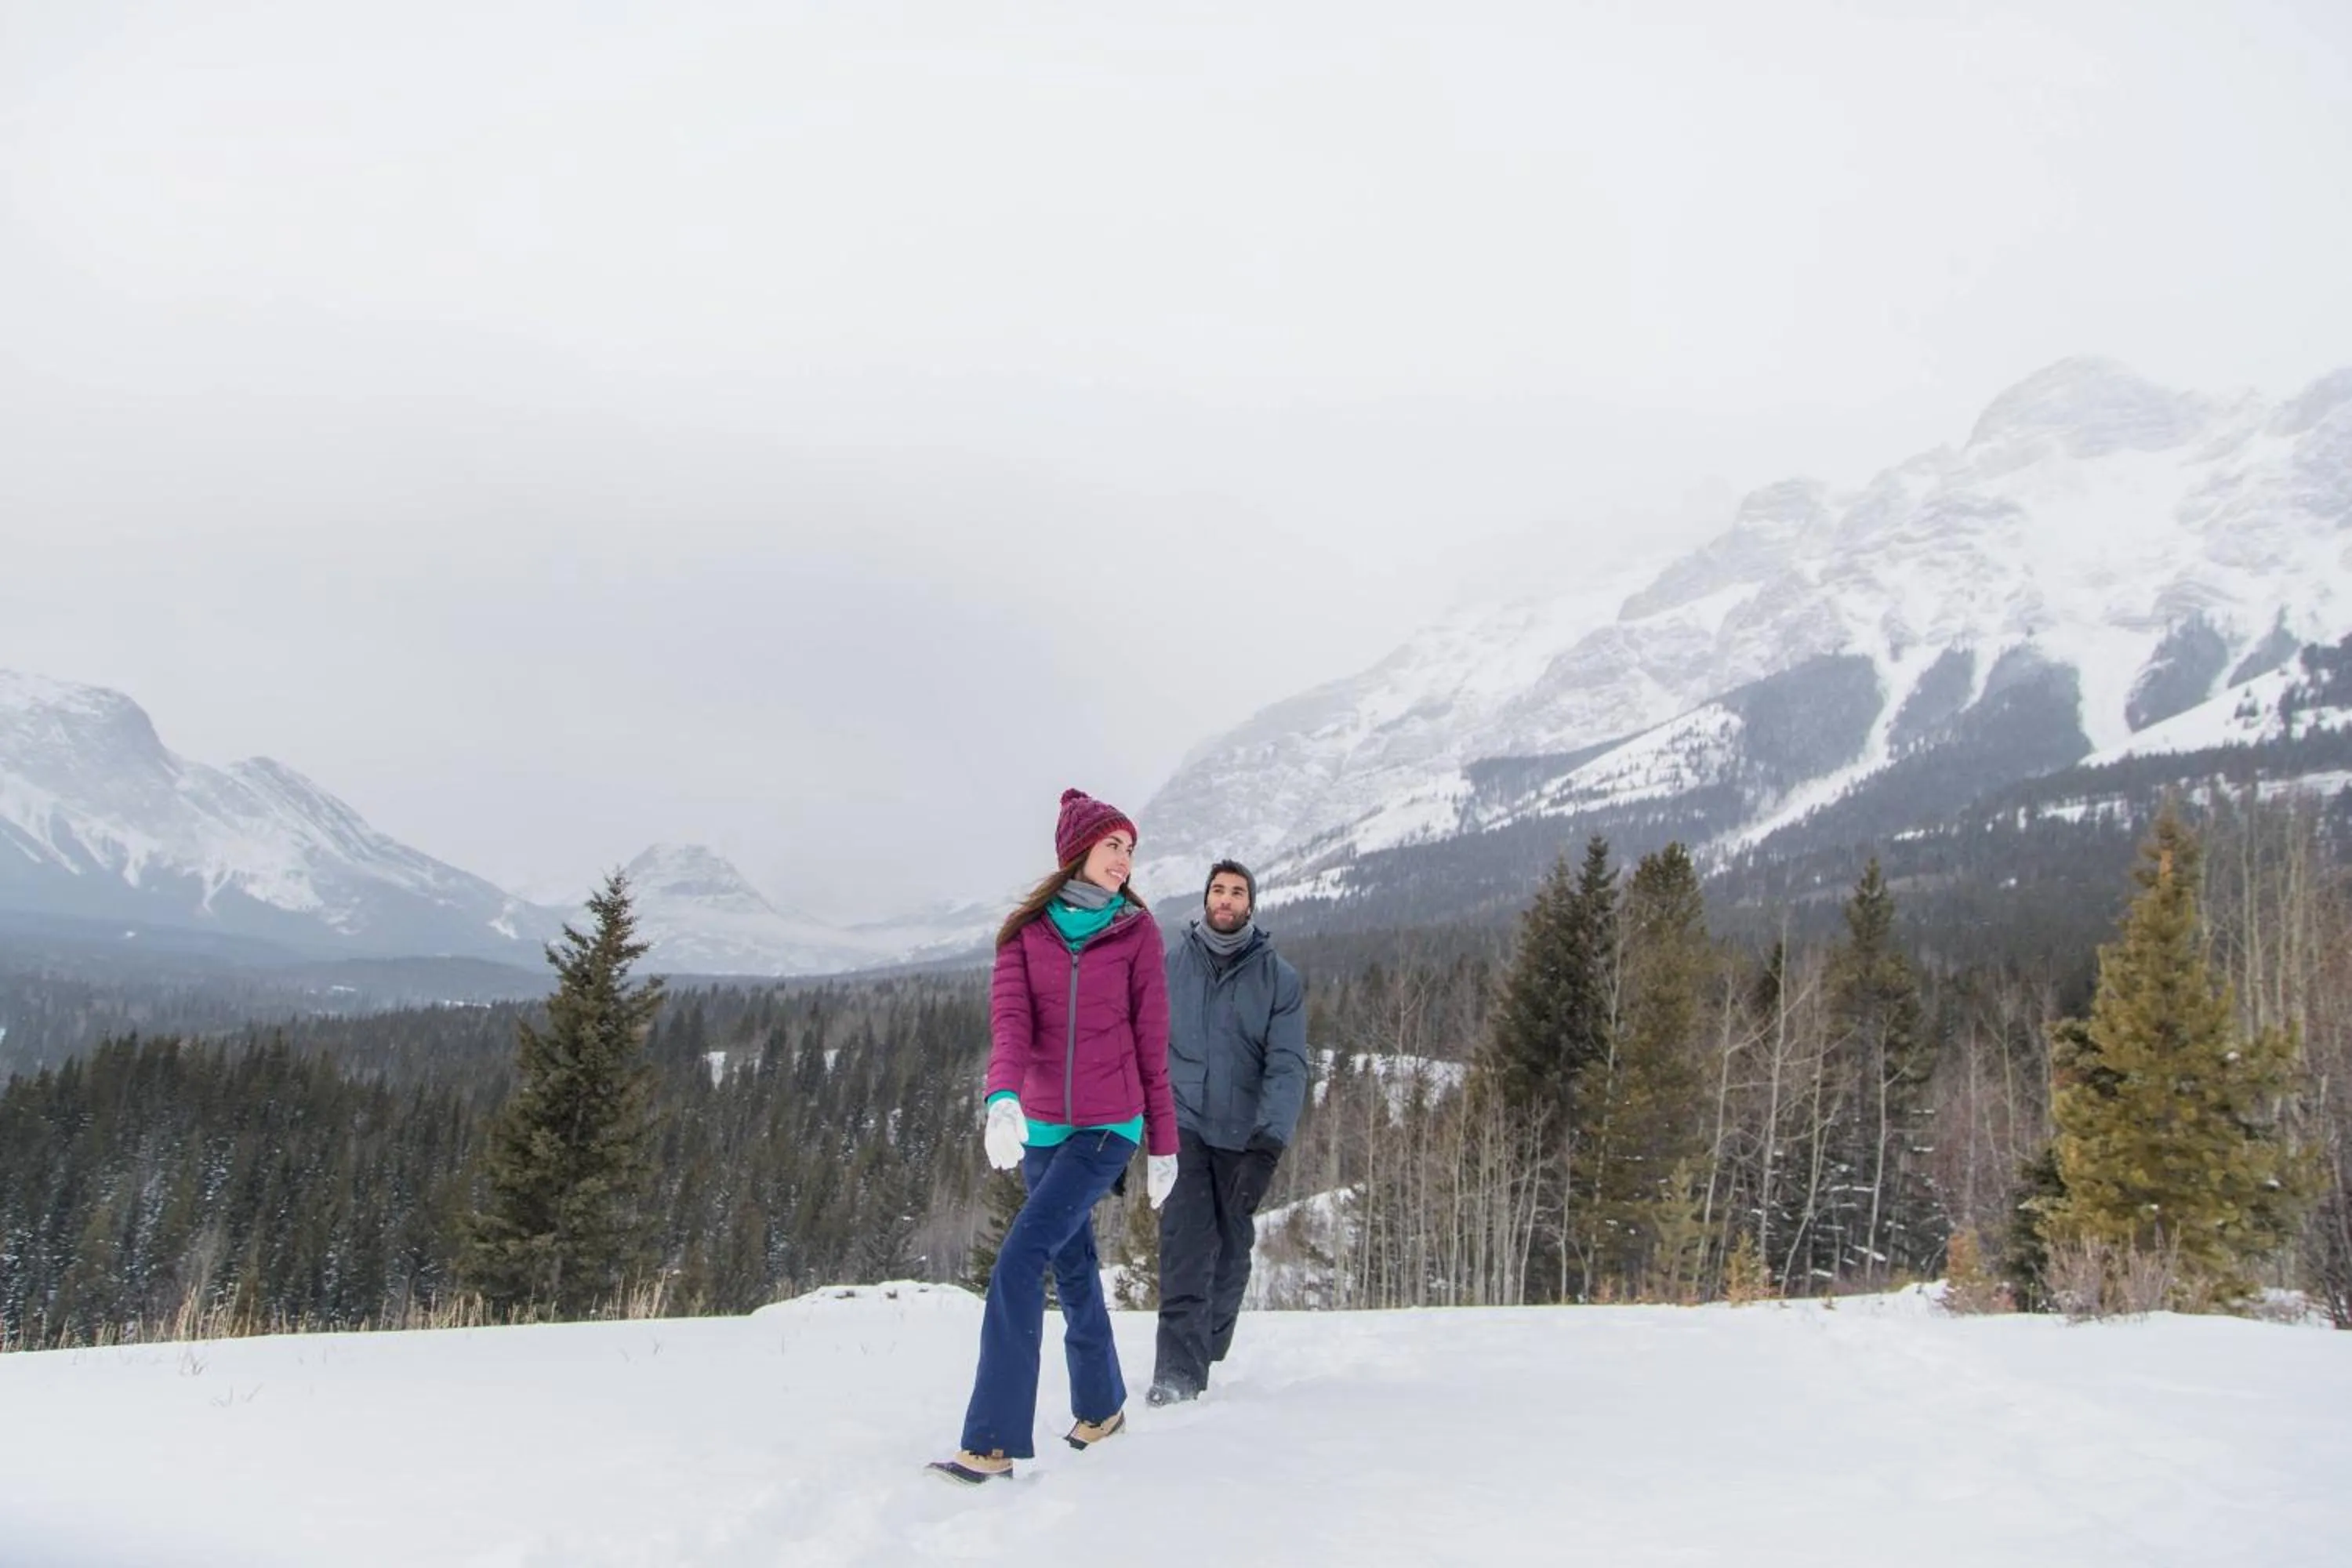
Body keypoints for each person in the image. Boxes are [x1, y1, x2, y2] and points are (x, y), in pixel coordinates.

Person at [931, 788, 1180, 1484]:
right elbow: (1012, 1027)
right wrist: (1002, 1098)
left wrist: (1164, 1143)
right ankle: (1102, 1408)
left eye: (1130, 849)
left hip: (1109, 1126)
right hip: (1041, 1127)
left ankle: (991, 1443)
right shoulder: (1025, 935)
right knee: (1072, 1263)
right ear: (1078, 851)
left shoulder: (1137, 933)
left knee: (1018, 1260)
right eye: (1113, 846)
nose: (1125, 860)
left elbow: (1152, 1044)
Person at [1149, 858, 1307, 1405]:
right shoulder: (1171, 967)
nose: (1226, 899)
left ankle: (1208, 1342)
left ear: (1250, 905)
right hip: (1184, 1125)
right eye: (1218, 889)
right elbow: (1145, 1045)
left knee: (1232, 1253)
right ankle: (1177, 1373)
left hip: (1242, 1136)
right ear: (1205, 899)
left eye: (1237, 892)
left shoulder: (1278, 979)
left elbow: (1287, 1066)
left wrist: (1268, 1145)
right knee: (1185, 1246)